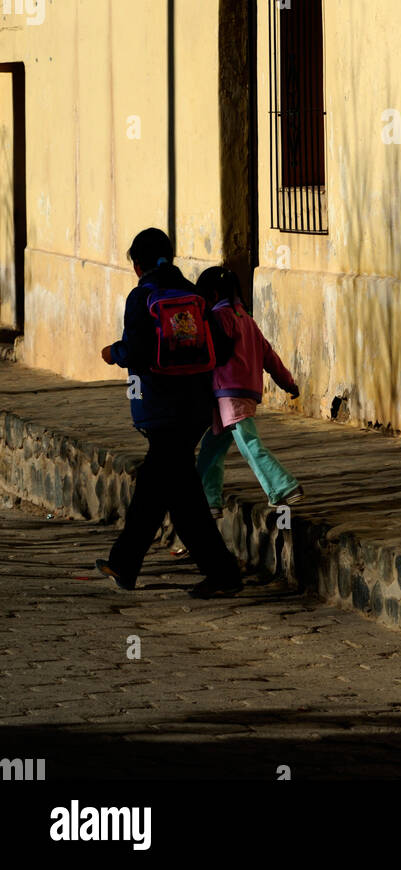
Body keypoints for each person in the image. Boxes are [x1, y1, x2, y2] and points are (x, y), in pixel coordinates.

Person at [95, 228, 244, 599]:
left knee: (159, 485)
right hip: (195, 407)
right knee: (177, 491)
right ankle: (212, 572)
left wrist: (114, 352)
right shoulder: (195, 294)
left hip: (159, 407)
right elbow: (222, 348)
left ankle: (129, 563)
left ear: (137, 264)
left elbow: (137, 351)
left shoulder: (142, 296)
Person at [194, 265, 304, 514]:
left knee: (248, 442)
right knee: (212, 448)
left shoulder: (220, 317)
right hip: (243, 391)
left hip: (228, 392)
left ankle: (282, 487)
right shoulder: (247, 320)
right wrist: (287, 382)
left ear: (211, 295)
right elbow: (269, 356)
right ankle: (207, 500)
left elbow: (212, 354)